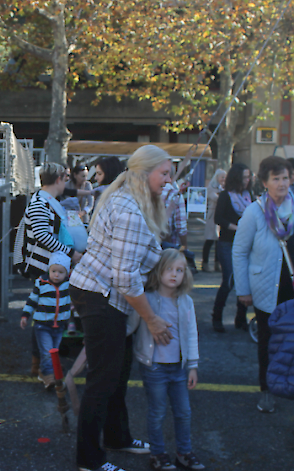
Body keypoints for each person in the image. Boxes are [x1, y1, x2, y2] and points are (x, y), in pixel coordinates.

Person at [69, 145, 174, 471]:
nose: (169, 181)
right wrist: (152, 319)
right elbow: (125, 279)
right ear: (144, 173)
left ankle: (117, 437)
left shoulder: (135, 200)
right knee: (102, 380)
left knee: (117, 373)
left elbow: (145, 254)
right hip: (101, 297)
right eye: (165, 174)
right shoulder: (129, 209)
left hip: (107, 295)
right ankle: (89, 460)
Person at [134, 249, 205, 471]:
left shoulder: (186, 302)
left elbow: (192, 334)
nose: (174, 275)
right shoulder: (147, 300)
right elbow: (130, 326)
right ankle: (158, 454)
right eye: (169, 269)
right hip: (154, 367)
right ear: (158, 271)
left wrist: (192, 366)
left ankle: (184, 452)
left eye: (180, 270)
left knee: (184, 412)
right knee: (157, 413)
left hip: (179, 368)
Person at [233, 156, 294, 413]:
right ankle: (266, 390)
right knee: (268, 342)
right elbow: (239, 252)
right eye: (276, 178)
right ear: (265, 182)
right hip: (265, 288)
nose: (282, 183)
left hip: (290, 287)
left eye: (286, 177)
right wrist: (243, 289)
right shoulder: (255, 212)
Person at [22, 162, 82, 376]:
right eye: (65, 177)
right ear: (59, 179)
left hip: (51, 266)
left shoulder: (46, 200)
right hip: (44, 267)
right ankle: (42, 367)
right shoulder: (41, 202)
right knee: (43, 317)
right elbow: (42, 235)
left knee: (47, 314)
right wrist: (70, 252)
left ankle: (43, 365)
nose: (67, 181)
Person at [21, 252, 72, 389]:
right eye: (53, 271)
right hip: (42, 325)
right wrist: (25, 315)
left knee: (54, 351)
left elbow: (74, 301)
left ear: (66, 273)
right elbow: (32, 300)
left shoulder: (68, 285)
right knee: (47, 352)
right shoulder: (42, 283)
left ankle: (47, 372)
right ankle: (48, 376)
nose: (56, 275)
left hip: (59, 325)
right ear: (48, 270)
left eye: (60, 272)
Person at [211, 163, 251, 333]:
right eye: (244, 177)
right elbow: (218, 218)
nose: (248, 180)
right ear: (236, 178)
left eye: (249, 177)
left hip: (245, 244)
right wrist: (237, 227)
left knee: (245, 281)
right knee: (228, 281)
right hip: (227, 243)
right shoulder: (226, 196)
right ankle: (217, 317)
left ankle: (240, 318)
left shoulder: (249, 196)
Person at [202, 169, 226, 272]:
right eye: (222, 177)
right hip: (212, 215)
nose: (224, 179)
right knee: (210, 240)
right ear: (217, 177)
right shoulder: (211, 187)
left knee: (218, 242)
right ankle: (205, 263)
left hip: (221, 215)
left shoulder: (224, 188)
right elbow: (215, 198)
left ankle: (217, 263)